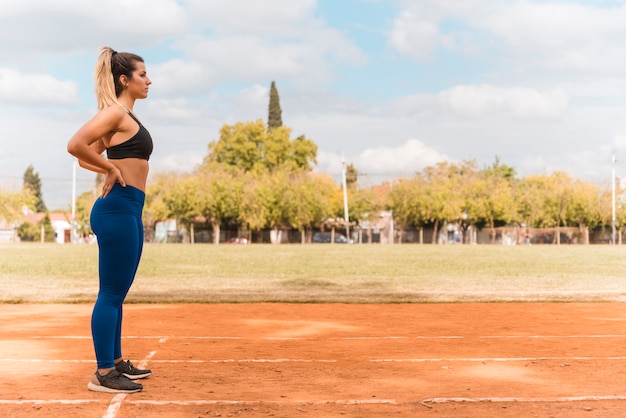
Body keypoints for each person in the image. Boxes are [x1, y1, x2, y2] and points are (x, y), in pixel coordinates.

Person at [67, 46, 154, 394]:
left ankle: (116, 363)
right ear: (124, 79)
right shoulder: (115, 113)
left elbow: (90, 154)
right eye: (142, 74)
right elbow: (76, 145)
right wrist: (110, 168)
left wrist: (106, 164)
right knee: (111, 292)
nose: (149, 80)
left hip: (130, 207)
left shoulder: (127, 117)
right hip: (116, 209)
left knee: (119, 292)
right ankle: (103, 373)